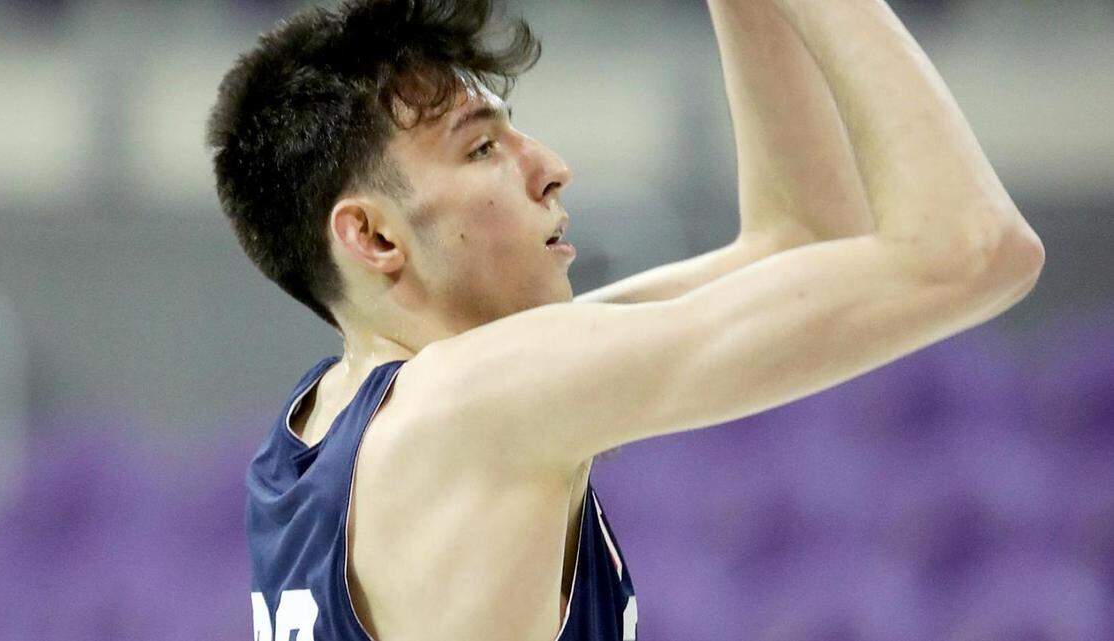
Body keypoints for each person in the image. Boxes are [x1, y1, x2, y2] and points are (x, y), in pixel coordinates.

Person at [206, 0, 1044, 639]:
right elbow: (974, 249)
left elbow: (803, 243)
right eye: (483, 149)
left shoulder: (321, 428)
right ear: (374, 235)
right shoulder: (474, 401)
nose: (552, 168)